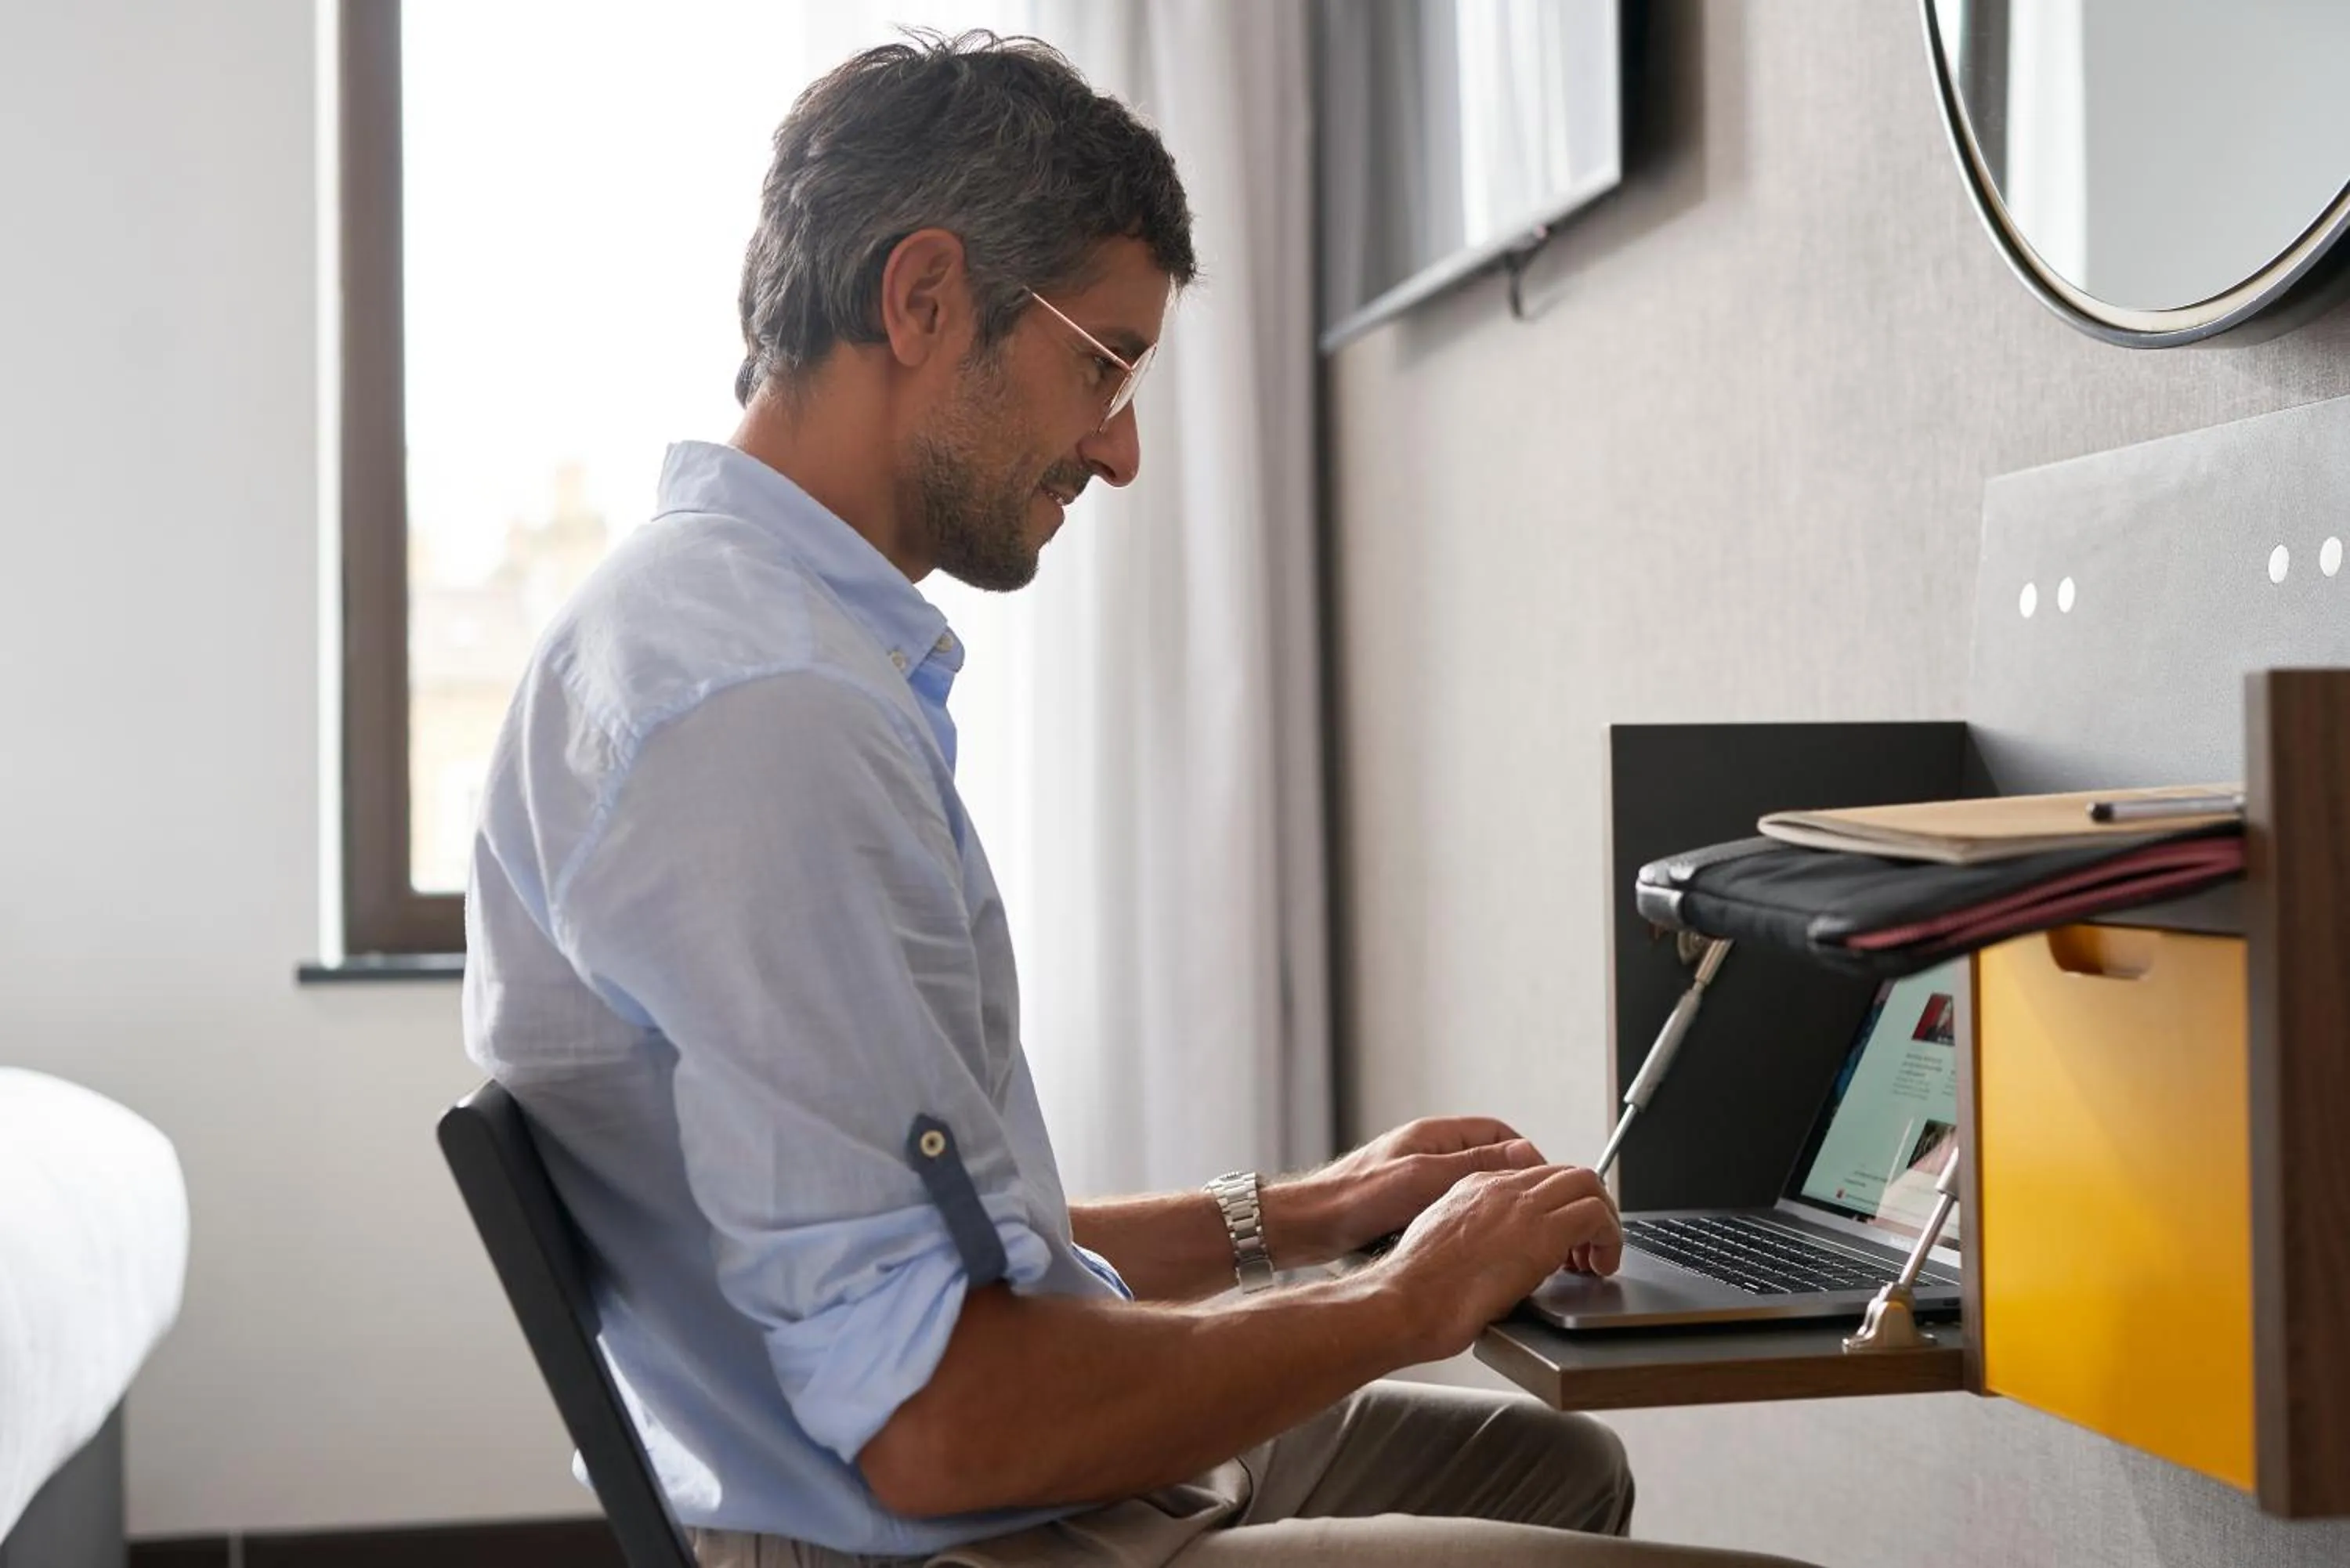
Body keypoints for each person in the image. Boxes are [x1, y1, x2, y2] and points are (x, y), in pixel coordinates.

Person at [462, 31, 1819, 1568]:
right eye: (1101, 362)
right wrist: (1402, 1297)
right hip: (937, 1531)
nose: (1117, 448)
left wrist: (1313, 1209)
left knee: (1552, 1466)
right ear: (922, 300)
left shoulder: (724, 639)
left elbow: (936, 1261)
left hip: (921, 1481)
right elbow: (941, 1416)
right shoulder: (762, 719)